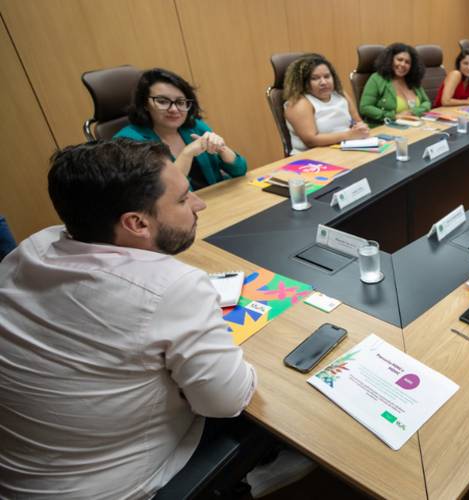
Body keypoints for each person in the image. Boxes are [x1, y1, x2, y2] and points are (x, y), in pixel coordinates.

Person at [0, 139, 311, 498]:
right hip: (115, 488)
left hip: (20, 481)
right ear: (136, 223)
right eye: (182, 199)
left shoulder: (35, 246)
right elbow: (226, 401)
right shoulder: (173, 288)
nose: (200, 204)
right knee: (278, 408)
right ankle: (262, 473)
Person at [115, 68, 247, 190]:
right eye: (162, 101)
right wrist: (187, 154)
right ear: (145, 104)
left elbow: (240, 170)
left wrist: (222, 149)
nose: (174, 109)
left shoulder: (195, 126)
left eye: (180, 102)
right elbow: (164, 193)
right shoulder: (129, 142)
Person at [283, 53, 369, 154]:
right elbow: (311, 140)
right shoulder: (299, 103)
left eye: (327, 76)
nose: (323, 82)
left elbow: (357, 121)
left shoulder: (340, 94)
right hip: (312, 159)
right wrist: (349, 135)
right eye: (315, 78)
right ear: (302, 82)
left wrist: (361, 128)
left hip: (343, 150)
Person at [359, 43, 431, 125]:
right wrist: (393, 116)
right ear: (390, 60)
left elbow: (426, 102)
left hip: (413, 126)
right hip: (384, 128)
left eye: (407, 62)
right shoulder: (377, 79)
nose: (403, 64)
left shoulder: (412, 80)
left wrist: (413, 112)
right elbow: (365, 107)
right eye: (399, 60)